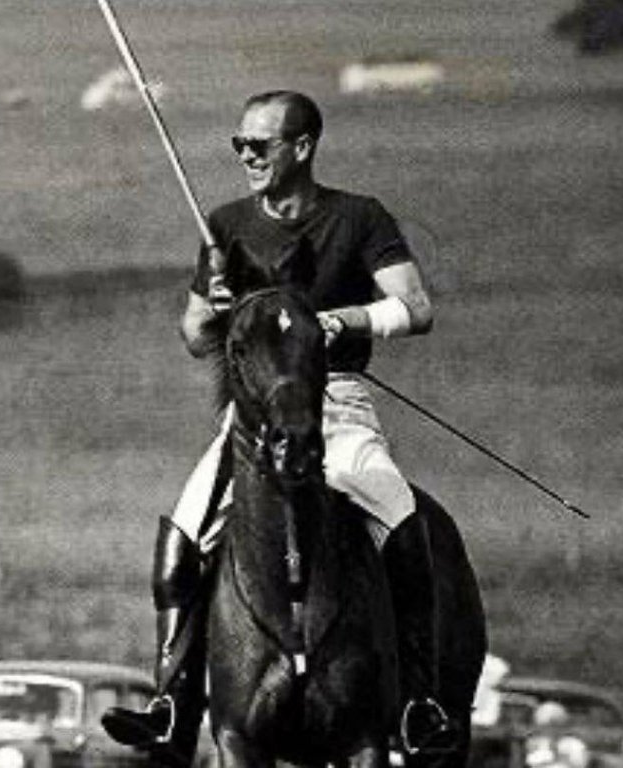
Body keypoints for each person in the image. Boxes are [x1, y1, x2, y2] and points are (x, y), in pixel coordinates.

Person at [103, 90, 455, 760]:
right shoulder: (225, 227)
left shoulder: (358, 217)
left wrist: (338, 322)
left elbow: (416, 307)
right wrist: (213, 308)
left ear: (302, 146)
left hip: (337, 405)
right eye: (239, 145)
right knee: (182, 532)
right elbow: (193, 336)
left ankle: (419, 701)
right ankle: (172, 704)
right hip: (252, 416)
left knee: (403, 521)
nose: (246, 156)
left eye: (259, 145)